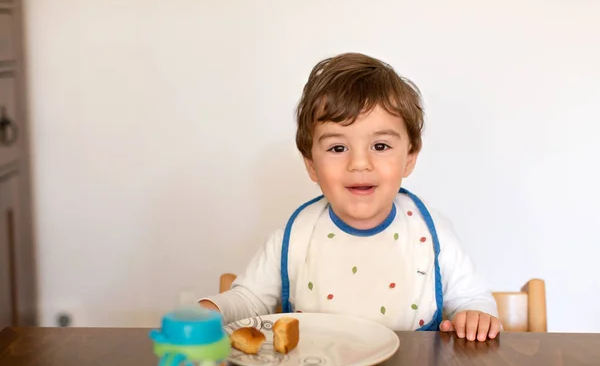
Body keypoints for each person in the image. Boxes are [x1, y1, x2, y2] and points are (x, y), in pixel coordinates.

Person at [200, 52, 501, 342]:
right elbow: (249, 300)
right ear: (311, 164)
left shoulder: (432, 232)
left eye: (380, 146)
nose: (359, 163)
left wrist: (475, 314)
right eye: (337, 148)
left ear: (409, 157)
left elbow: (472, 298)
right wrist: (212, 310)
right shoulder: (296, 237)